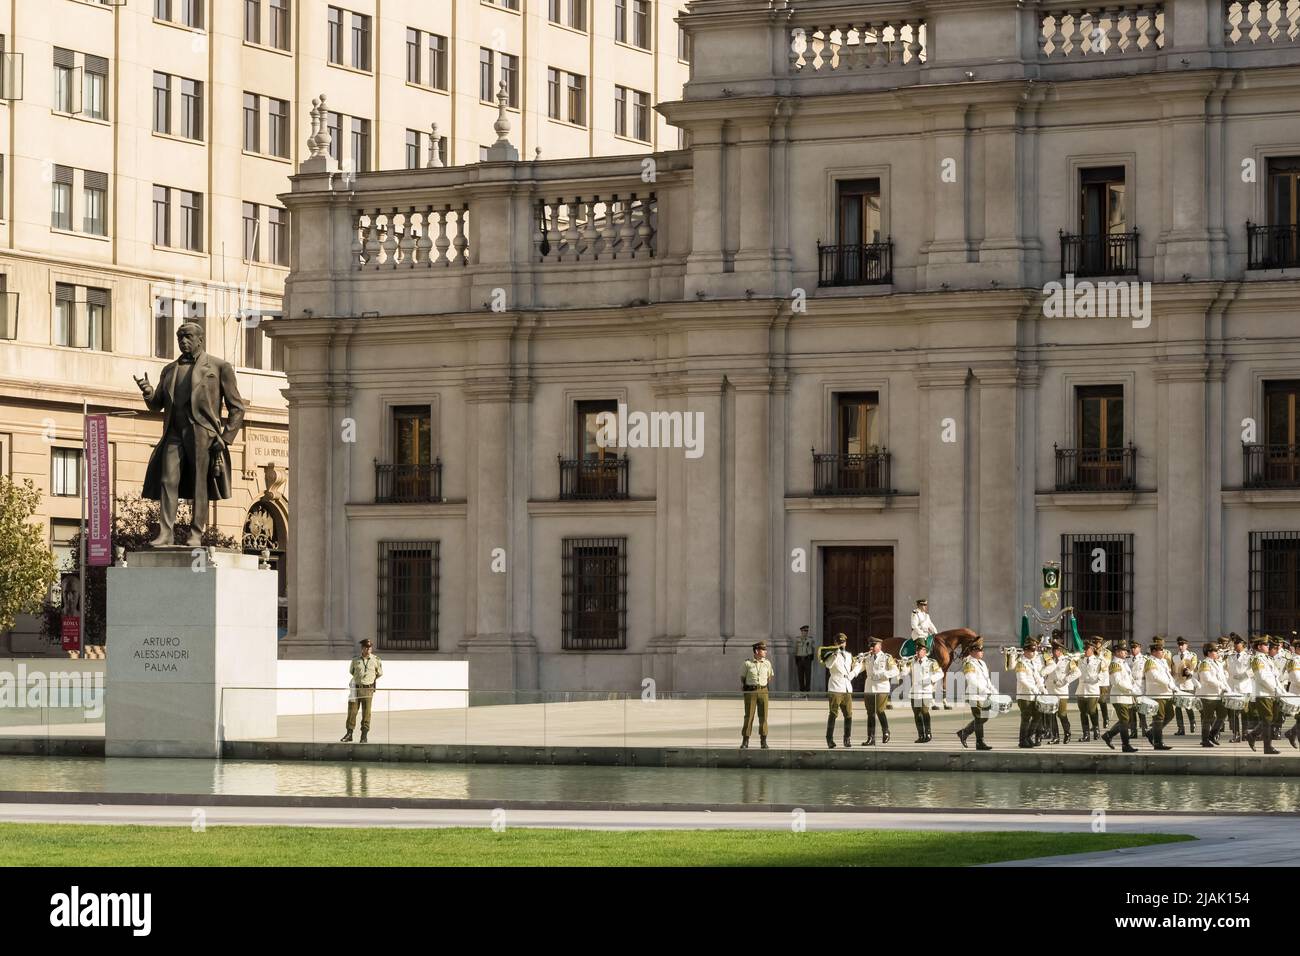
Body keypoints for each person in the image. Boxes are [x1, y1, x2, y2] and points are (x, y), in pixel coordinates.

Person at [135, 322, 246, 547]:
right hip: (174, 432)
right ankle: (166, 533)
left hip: (201, 432)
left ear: (199, 340)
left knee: (199, 484)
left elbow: (237, 407)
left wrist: (225, 438)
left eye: (187, 337)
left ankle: (196, 533)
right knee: (168, 480)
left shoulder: (219, 367)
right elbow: (157, 405)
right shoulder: (169, 369)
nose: (183, 341)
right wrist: (148, 392)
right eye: (180, 338)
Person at [823, 633, 862, 749]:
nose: (842, 645)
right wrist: (834, 654)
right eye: (839, 643)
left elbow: (854, 668)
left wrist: (855, 670)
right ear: (835, 643)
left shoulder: (849, 655)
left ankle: (847, 738)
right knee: (833, 714)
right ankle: (829, 739)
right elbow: (828, 665)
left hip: (846, 686)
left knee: (849, 714)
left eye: (843, 642)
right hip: (835, 686)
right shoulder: (831, 655)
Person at [341, 639, 383, 743]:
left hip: (368, 689)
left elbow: (379, 673)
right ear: (362, 648)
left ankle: (364, 735)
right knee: (352, 711)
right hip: (355, 688)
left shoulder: (376, 660)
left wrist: (370, 681)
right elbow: (352, 671)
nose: (368, 649)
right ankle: (349, 733)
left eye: (369, 647)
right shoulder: (355, 660)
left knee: (366, 712)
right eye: (366, 647)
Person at [956, 638, 995, 751]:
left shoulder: (982, 663)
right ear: (973, 651)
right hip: (974, 695)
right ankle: (980, 742)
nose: (982, 652)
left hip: (984, 695)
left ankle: (964, 733)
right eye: (980, 650)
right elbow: (971, 680)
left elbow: (987, 679)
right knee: (979, 718)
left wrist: (993, 690)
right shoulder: (969, 663)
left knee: (984, 718)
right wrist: (984, 690)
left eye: (982, 650)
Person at [1101, 642, 1140, 752]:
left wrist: (1135, 690)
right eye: (1123, 651)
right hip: (1119, 696)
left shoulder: (1124, 663)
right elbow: (1117, 682)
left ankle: (1108, 735)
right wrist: (1131, 689)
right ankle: (1125, 745)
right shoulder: (1115, 664)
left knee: (1126, 720)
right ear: (1117, 652)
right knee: (1124, 721)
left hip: (1127, 696)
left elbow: (1129, 679)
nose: (1126, 652)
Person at [1245, 636, 1282, 754]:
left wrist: (1280, 690)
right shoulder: (1257, 659)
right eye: (1266, 645)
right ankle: (1267, 747)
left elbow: (1275, 676)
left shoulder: (1267, 659)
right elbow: (1261, 678)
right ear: (1259, 646)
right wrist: (1274, 689)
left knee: (1272, 718)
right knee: (1267, 720)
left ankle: (1252, 735)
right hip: (1263, 693)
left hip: (1272, 693)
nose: (1268, 647)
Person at [862, 637, 897, 746]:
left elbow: (895, 671)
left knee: (879, 710)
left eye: (874, 645)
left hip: (882, 688)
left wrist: (882, 675)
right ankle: (870, 738)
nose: (871, 647)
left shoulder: (887, 657)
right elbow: (860, 668)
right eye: (870, 645)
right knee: (870, 713)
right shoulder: (867, 657)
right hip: (869, 688)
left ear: (880, 646)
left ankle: (886, 732)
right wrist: (850, 675)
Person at [1042, 642, 1079, 744]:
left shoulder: (1067, 660)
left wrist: (1064, 681)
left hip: (1061, 691)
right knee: (1052, 715)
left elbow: (1077, 673)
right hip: (1050, 691)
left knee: (1062, 714)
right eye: (1053, 650)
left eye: (1057, 650)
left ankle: (1067, 733)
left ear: (1061, 651)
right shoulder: (1049, 660)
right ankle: (1055, 737)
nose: (1054, 652)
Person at [1193, 642, 1228, 749]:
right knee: (1207, 719)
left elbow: (1222, 678)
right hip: (1207, 695)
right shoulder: (1204, 664)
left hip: (1218, 694)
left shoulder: (1217, 663)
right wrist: (1221, 685)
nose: (1218, 653)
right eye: (1215, 651)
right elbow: (1206, 678)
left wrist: (1227, 689)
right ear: (1209, 652)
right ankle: (1204, 740)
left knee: (1223, 714)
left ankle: (1212, 735)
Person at [907, 643, 944, 742]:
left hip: (926, 691)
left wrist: (929, 680)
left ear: (925, 652)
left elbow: (940, 673)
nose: (918, 652)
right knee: (917, 714)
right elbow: (904, 672)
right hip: (915, 691)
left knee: (924, 712)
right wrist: (902, 665)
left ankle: (928, 733)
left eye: (920, 650)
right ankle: (921, 735)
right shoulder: (912, 662)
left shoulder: (931, 662)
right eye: (917, 651)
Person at [740, 641, 774, 749]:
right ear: (756, 651)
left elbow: (769, 677)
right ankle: (745, 741)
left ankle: (763, 741)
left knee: (763, 716)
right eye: (763, 650)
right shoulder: (748, 663)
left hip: (763, 691)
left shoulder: (767, 663)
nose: (765, 652)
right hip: (751, 691)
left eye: (765, 650)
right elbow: (743, 678)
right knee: (749, 716)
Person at [1142, 641, 1176, 750]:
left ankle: (1151, 733)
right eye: (1160, 650)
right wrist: (1168, 683)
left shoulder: (1163, 661)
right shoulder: (1150, 662)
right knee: (1159, 718)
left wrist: (1173, 685)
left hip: (1166, 693)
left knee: (1170, 715)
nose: (1162, 652)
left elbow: (1168, 675)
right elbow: (1154, 676)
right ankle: (1158, 742)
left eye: (1162, 650)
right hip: (1156, 693)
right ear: (1153, 652)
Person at [1014, 638, 1047, 748]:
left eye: (1034, 651)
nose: (1033, 653)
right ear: (1025, 651)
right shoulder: (1021, 663)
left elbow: (1037, 677)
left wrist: (1042, 688)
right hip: (1025, 695)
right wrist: (1033, 689)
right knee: (1026, 718)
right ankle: (1022, 741)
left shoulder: (1033, 662)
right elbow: (1022, 679)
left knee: (1038, 716)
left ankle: (1028, 737)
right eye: (1031, 651)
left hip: (1035, 695)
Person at [1075, 638, 1106, 742]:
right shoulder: (1080, 660)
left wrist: (1096, 678)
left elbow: (1103, 673)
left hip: (1092, 689)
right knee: (1083, 713)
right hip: (1081, 689)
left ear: (1092, 649)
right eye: (1084, 649)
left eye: (1087, 649)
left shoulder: (1099, 661)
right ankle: (1086, 734)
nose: (1085, 651)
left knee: (1092, 711)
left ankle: (1096, 729)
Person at [1226, 634, 1253, 741]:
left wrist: (1244, 675)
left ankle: (1245, 733)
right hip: (1233, 687)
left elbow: (1253, 671)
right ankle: (1236, 734)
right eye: (1235, 643)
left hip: (1244, 687)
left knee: (1244, 712)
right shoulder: (1230, 657)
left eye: (1238, 643)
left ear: (1243, 645)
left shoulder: (1249, 657)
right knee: (1234, 713)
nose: (1236, 645)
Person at [1172, 637, 1198, 736]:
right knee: (1178, 708)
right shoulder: (1174, 657)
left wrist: (1188, 672)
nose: (1180, 646)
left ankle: (1192, 722)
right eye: (1179, 645)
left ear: (1187, 645)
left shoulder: (1192, 655)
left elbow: (1194, 668)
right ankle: (1181, 728)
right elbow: (1173, 670)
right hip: (1178, 684)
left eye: (1183, 645)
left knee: (1188, 705)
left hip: (1188, 683)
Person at [793, 625, 814, 694]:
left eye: (807, 631)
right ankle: (802, 691)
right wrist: (796, 657)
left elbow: (813, 648)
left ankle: (807, 691)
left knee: (808, 676)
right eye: (804, 631)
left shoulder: (810, 639)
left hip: (807, 659)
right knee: (800, 676)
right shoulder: (797, 639)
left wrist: (811, 657)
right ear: (801, 631)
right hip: (800, 659)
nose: (806, 632)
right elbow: (795, 649)